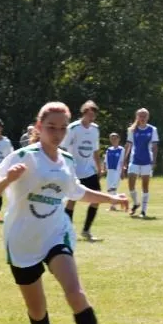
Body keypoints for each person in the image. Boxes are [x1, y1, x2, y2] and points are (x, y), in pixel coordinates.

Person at [0, 102, 128, 324]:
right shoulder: (24, 156)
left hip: (55, 234)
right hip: (22, 240)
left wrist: (111, 198)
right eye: (51, 127)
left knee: (75, 293)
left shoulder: (67, 161)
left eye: (62, 128)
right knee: (37, 309)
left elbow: (77, 191)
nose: (57, 133)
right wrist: (7, 180)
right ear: (39, 127)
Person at [61, 101, 104, 241]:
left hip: (89, 170)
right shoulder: (73, 128)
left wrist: (99, 167)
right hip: (74, 170)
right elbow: (63, 148)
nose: (92, 118)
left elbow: (95, 150)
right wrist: (64, 166)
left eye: (94, 115)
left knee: (97, 198)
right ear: (84, 113)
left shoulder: (95, 129)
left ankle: (86, 230)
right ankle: (67, 230)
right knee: (72, 200)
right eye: (89, 114)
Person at [122, 108, 159, 217]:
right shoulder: (132, 130)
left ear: (148, 117)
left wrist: (154, 161)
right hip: (134, 160)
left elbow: (155, 146)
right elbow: (128, 145)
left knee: (145, 186)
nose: (142, 118)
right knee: (131, 185)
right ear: (137, 117)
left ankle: (143, 211)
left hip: (147, 161)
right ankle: (136, 203)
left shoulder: (152, 129)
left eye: (144, 116)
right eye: (140, 116)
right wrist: (124, 160)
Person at [104, 133, 125, 211]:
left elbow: (123, 161)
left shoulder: (121, 149)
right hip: (110, 171)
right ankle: (122, 198)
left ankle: (112, 206)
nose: (113, 140)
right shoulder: (109, 150)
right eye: (112, 139)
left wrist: (122, 171)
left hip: (117, 171)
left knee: (113, 188)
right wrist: (104, 169)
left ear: (118, 139)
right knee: (109, 189)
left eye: (115, 138)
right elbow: (105, 161)